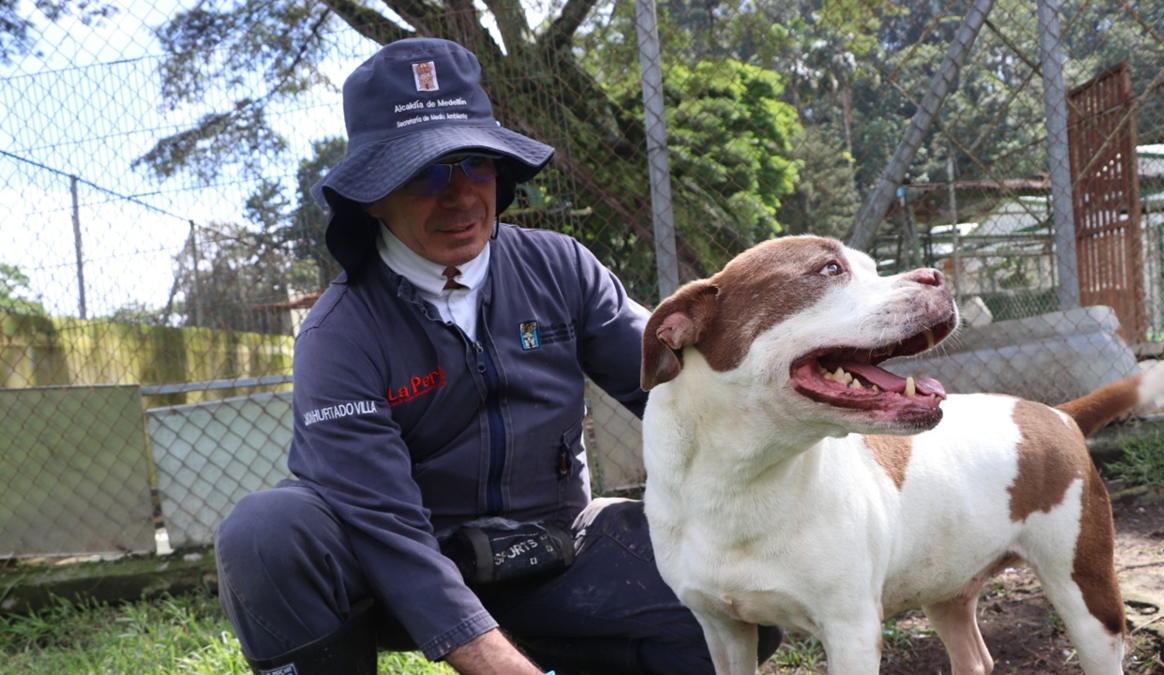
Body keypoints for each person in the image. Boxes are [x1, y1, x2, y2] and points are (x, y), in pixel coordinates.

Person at [214, 37, 782, 675]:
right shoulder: (339, 336)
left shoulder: (561, 267)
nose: (457, 197)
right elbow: (388, 534)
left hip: (551, 551)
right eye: (425, 174)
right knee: (267, 532)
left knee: (723, 620)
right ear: (373, 194)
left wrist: (807, 407)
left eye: (473, 165)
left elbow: (687, 391)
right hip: (397, 577)